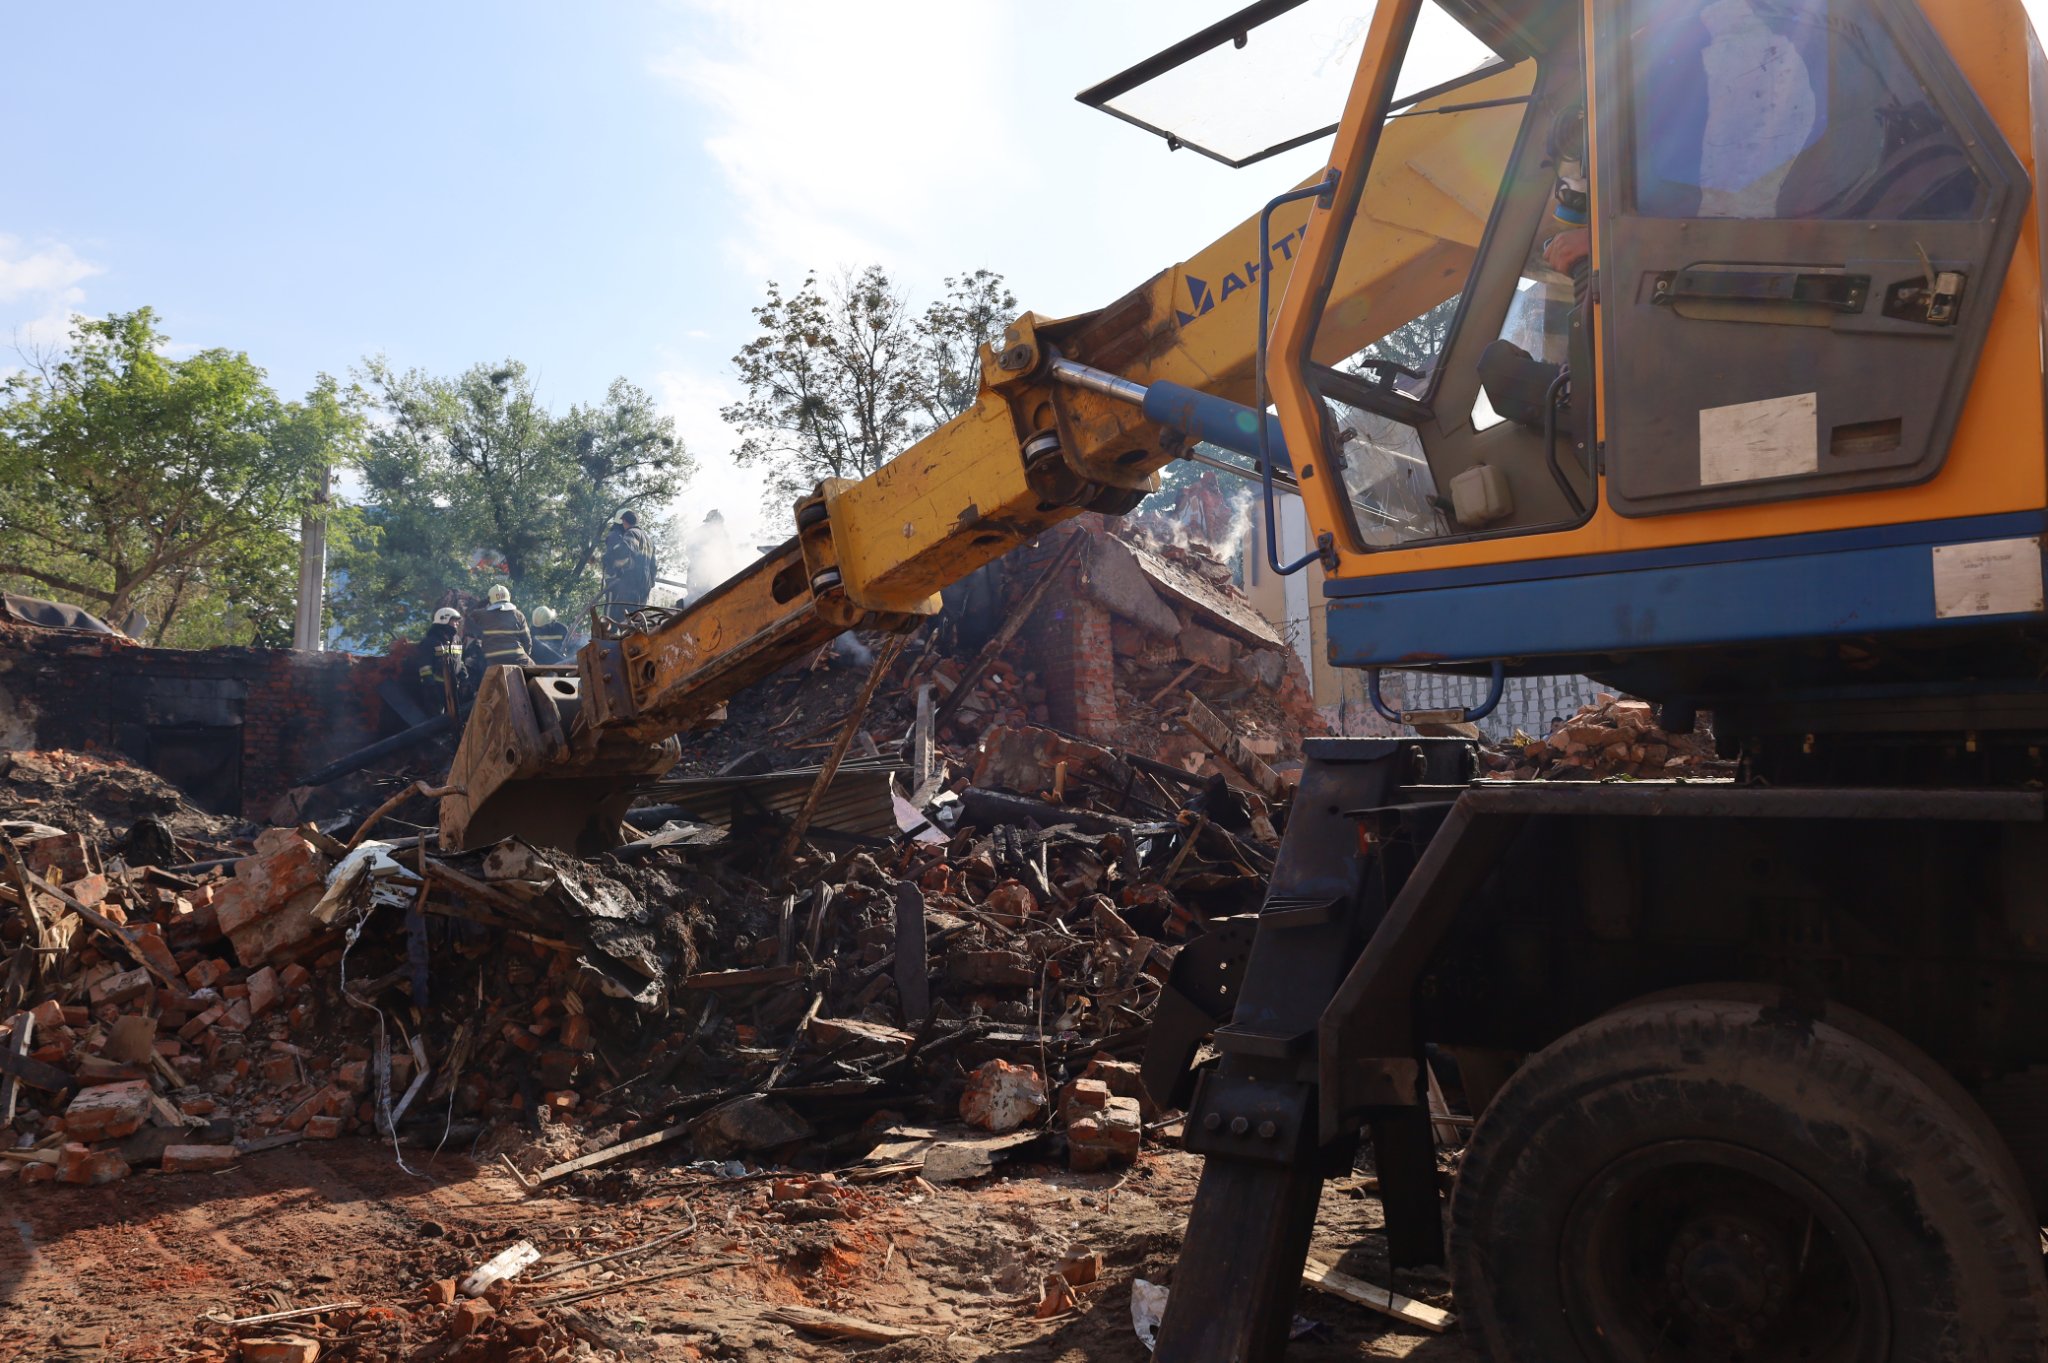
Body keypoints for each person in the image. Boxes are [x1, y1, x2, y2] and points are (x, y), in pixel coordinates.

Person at [466, 583, 534, 670]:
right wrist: (526, 654)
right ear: (508, 596)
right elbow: (527, 641)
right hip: (518, 658)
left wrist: (482, 603)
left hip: (493, 659)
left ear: (489, 600)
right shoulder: (518, 614)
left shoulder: (482, 615)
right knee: (536, 671)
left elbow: (467, 614)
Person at [602, 510, 657, 613]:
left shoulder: (632, 533)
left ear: (625, 522)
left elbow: (624, 550)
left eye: (623, 522)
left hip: (632, 581)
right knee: (636, 618)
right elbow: (653, 566)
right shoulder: (650, 541)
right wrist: (650, 583)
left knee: (619, 615)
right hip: (645, 586)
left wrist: (608, 557)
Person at [414, 606, 465, 715]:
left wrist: (464, 676)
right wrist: (431, 686)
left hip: (454, 687)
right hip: (436, 688)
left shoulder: (457, 640)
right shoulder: (430, 641)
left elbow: (459, 661)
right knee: (438, 720)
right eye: (454, 620)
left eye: (457, 621)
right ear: (444, 620)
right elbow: (424, 666)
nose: (457, 623)